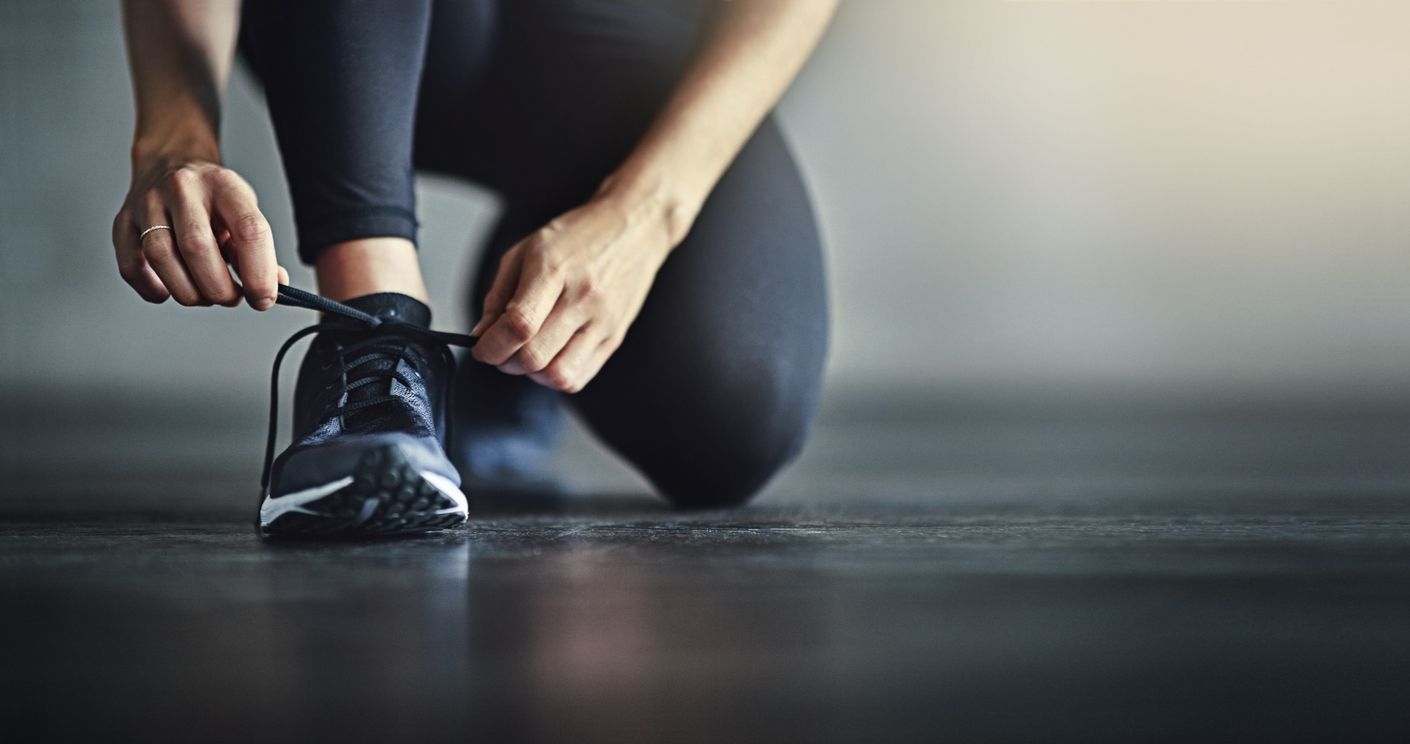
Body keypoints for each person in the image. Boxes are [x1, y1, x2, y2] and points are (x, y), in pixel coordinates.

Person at [114, 0, 835, 536]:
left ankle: (516, 320)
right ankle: (374, 345)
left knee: (734, 420)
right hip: (357, 30)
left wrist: (645, 212)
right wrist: (172, 137)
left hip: (628, 39)